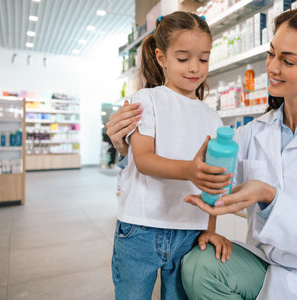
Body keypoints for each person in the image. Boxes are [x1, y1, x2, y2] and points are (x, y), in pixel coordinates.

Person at [107, 7, 297, 300]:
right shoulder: (254, 132)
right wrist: (126, 150)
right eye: (272, 54)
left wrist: (270, 197)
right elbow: (203, 174)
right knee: (199, 265)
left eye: (288, 60)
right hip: (263, 267)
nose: (272, 67)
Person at [110, 11, 233, 300]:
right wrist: (191, 170)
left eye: (203, 59)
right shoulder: (147, 100)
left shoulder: (212, 117)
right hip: (141, 227)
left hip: (190, 232)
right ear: (162, 58)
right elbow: (144, 159)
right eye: (183, 58)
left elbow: (213, 183)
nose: (194, 68)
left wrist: (210, 228)